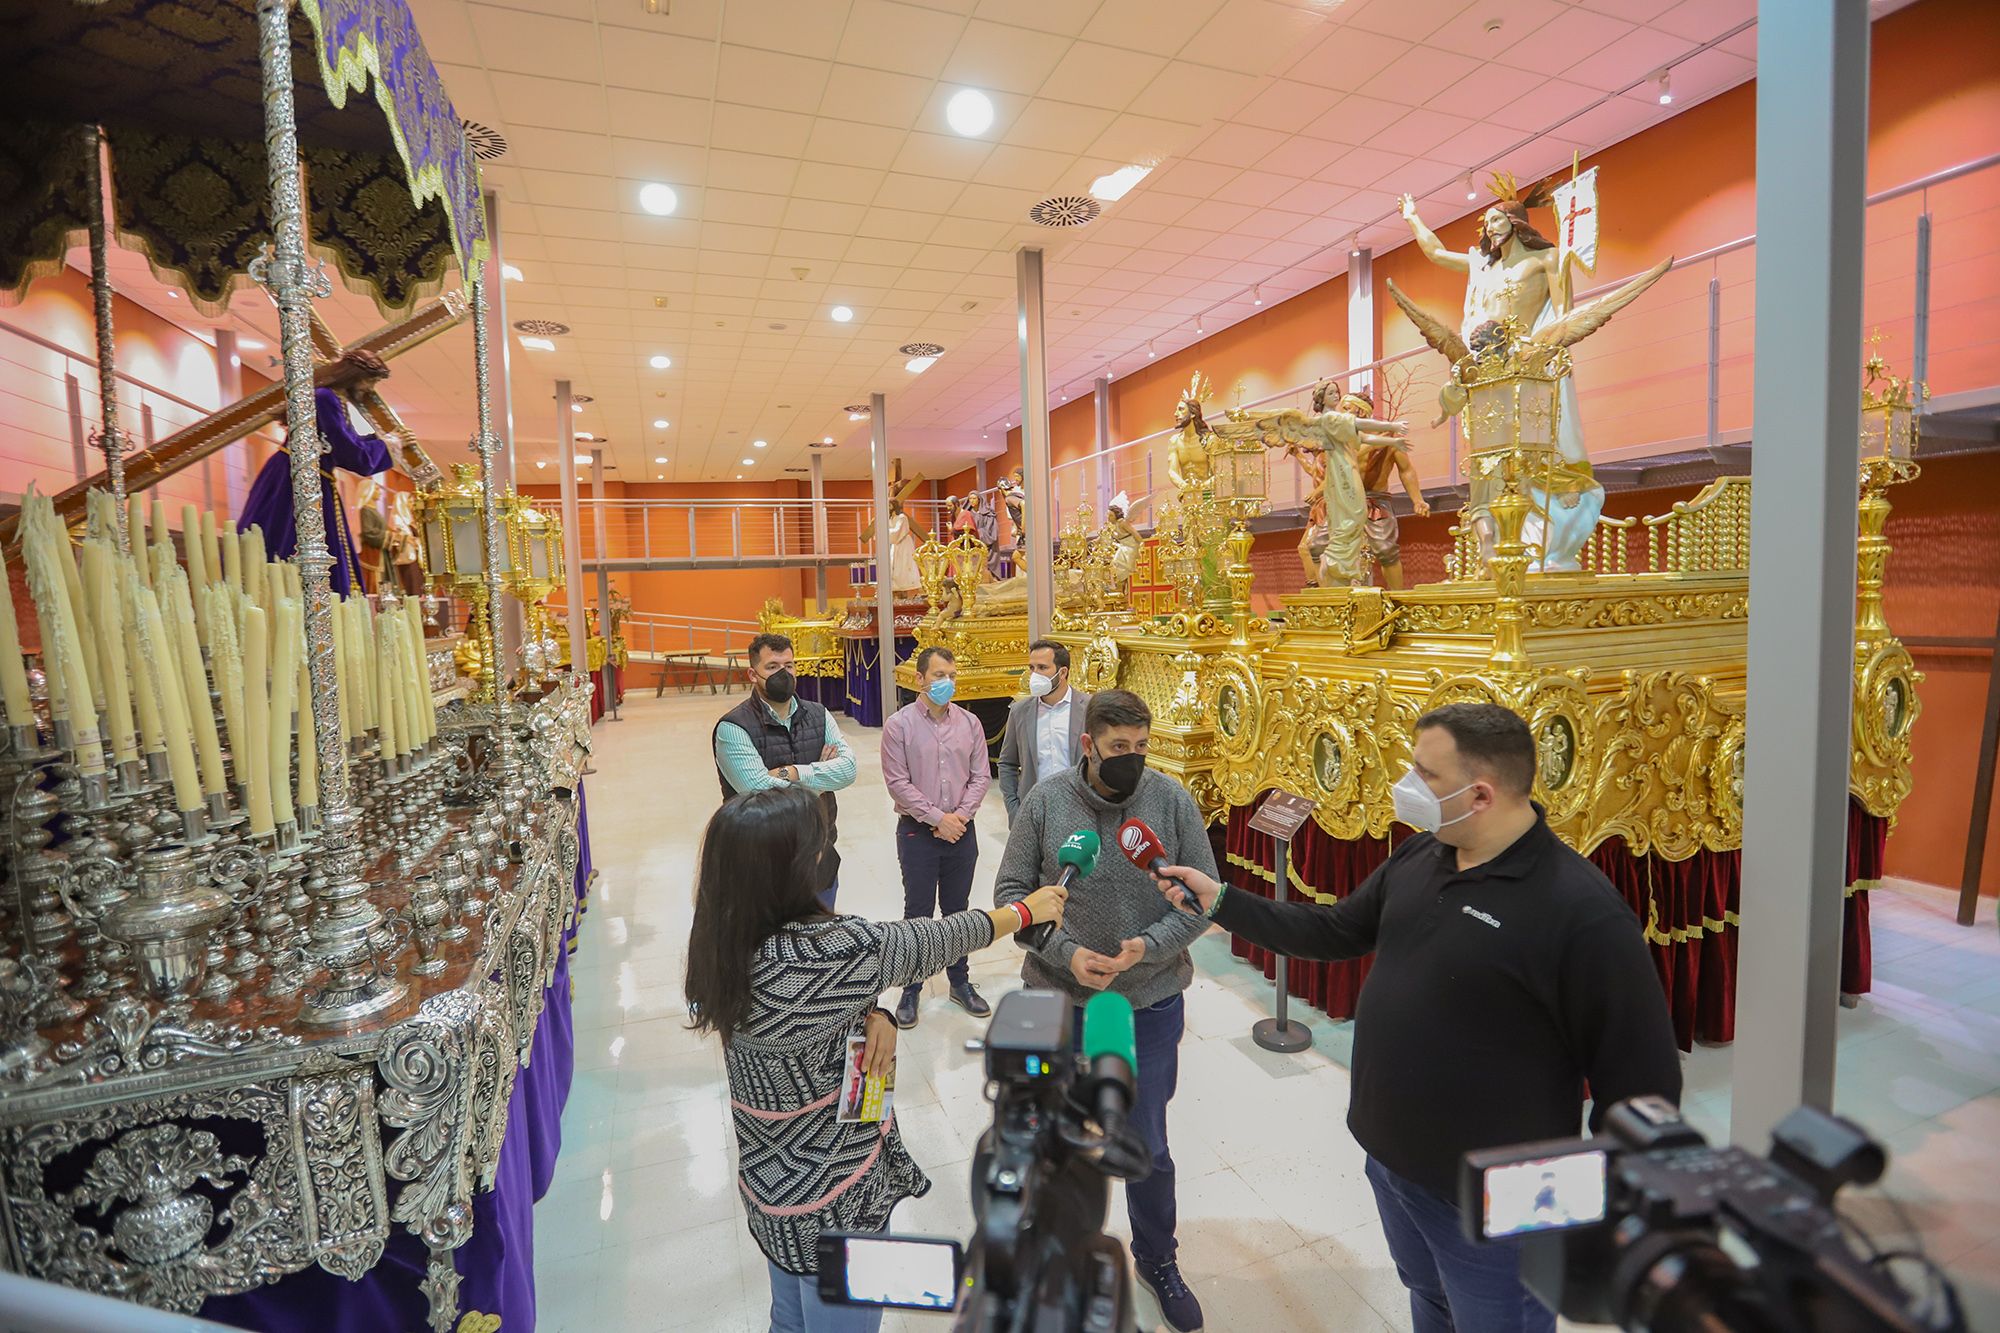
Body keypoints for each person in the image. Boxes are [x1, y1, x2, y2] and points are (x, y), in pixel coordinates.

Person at [1145, 702, 1682, 1333]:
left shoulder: (1580, 912)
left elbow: (1642, 1092)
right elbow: (1338, 929)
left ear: (1480, 793)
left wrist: (1563, 1220)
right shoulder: (1424, 855)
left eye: (1425, 774)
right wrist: (1224, 902)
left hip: (1492, 1204)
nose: (1406, 786)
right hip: (1391, 1162)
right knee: (1428, 1300)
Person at [685, 785, 1068, 1333]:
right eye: (816, 848)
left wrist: (877, 1016)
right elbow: (932, 939)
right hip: (837, 1196)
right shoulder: (826, 952)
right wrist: (1023, 910)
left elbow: (820, 1011)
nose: (826, 854)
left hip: (771, 1188)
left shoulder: (722, 941)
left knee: (789, 1320)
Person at [994, 689, 1215, 1333]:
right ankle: (1051, 1253)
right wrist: (1067, 953)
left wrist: (1147, 948)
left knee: (1146, 1144)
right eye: (1120, 748)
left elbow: (1201, 900)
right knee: (1050, 1143)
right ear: (1088, 745)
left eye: (1143, 747)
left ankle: (1158, 1260)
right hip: (1057, 1001)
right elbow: (1013, 897)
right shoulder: (1046, 802)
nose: (1134, 760)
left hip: (1146, 1002)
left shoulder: (1170, 801)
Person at [879, 646, 992, 1026]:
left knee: (958, 911)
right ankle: (911, 988)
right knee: (919, 913)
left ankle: (960, 982)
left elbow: (981, 776)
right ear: (920, 679)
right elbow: (897, 783)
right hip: (918, 832)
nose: (948, 683)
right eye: (940, 675)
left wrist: (958, 816)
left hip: (962, 829)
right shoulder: (899, 726)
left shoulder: (970, 724)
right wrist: (936, 818)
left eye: (952, 676)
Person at [714, 633, 856, 909]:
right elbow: (756, 789)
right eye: (772, 667)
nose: (783, 673)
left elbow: (848, 770)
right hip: (761, 864)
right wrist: (822, 779)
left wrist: (791, 772)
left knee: (821, 944)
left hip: (820, 859)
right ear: (752, 674)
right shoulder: (733, 728)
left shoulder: (819, 714)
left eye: (789, 666)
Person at [237, 348, 394, 595]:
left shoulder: (333, 400)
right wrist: (387, 446)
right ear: (353, 375)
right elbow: (348, 452)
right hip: (299, 478)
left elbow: (349, 442)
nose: (370, 388)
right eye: (370, 380)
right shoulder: (325, 398)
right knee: (289, 541)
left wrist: (381, 442)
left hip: (313, 476)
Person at [996, 640, 1090, 822]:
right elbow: (1007, 764)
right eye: (1032, 668)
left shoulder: (1090, 707)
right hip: (1035, 812)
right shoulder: (1020, 711)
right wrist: (1014, 809)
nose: (1034, 675)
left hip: (1080, 810)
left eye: (1042, 667)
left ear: (1062, 672)